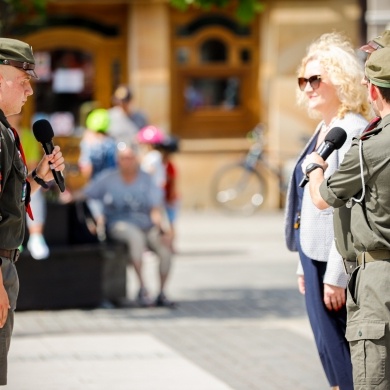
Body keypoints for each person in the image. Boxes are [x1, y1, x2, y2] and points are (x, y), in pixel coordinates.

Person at [284, 32, 372, 390]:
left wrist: (335, 273)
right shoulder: (325, 129)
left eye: (316, 79)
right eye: (303, 80)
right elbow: (309, 201)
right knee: (327, 355)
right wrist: (300, 261)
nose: (308, 87)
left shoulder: (350, 131)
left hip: (332, 262)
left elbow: (349, 207)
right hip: (313, 254)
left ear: (341, 79)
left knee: (342, 359)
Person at [303, 46, 390, 390]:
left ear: (371, 89)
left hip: (378, 279)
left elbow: (323, 199)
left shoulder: (370, 143)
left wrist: (314, 169)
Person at [0, 37, 65, 385]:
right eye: (23, 82)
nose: (28, 92)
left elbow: (7, 200)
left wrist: (39, 177)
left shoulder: (4, 131)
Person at [82, 142, 175, 308]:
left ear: (137, 159)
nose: (128, 161)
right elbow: (87, 194)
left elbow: (155, 208)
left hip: (146, 224)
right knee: (135, 238)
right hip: (120, 224)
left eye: (131, 157)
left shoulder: (147, 179)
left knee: (165, 249)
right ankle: (143, 288)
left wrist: (163, 230)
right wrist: (97, 215)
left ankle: (161, 292)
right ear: (118, 160)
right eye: (124, 158)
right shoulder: (108, 178)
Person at [8, 113, 50, 260]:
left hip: (22, 180)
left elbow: (31, 167)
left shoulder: (28, 137)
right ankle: (11, 237)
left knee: (34, 192)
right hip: (6, 184)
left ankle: (36, 236)